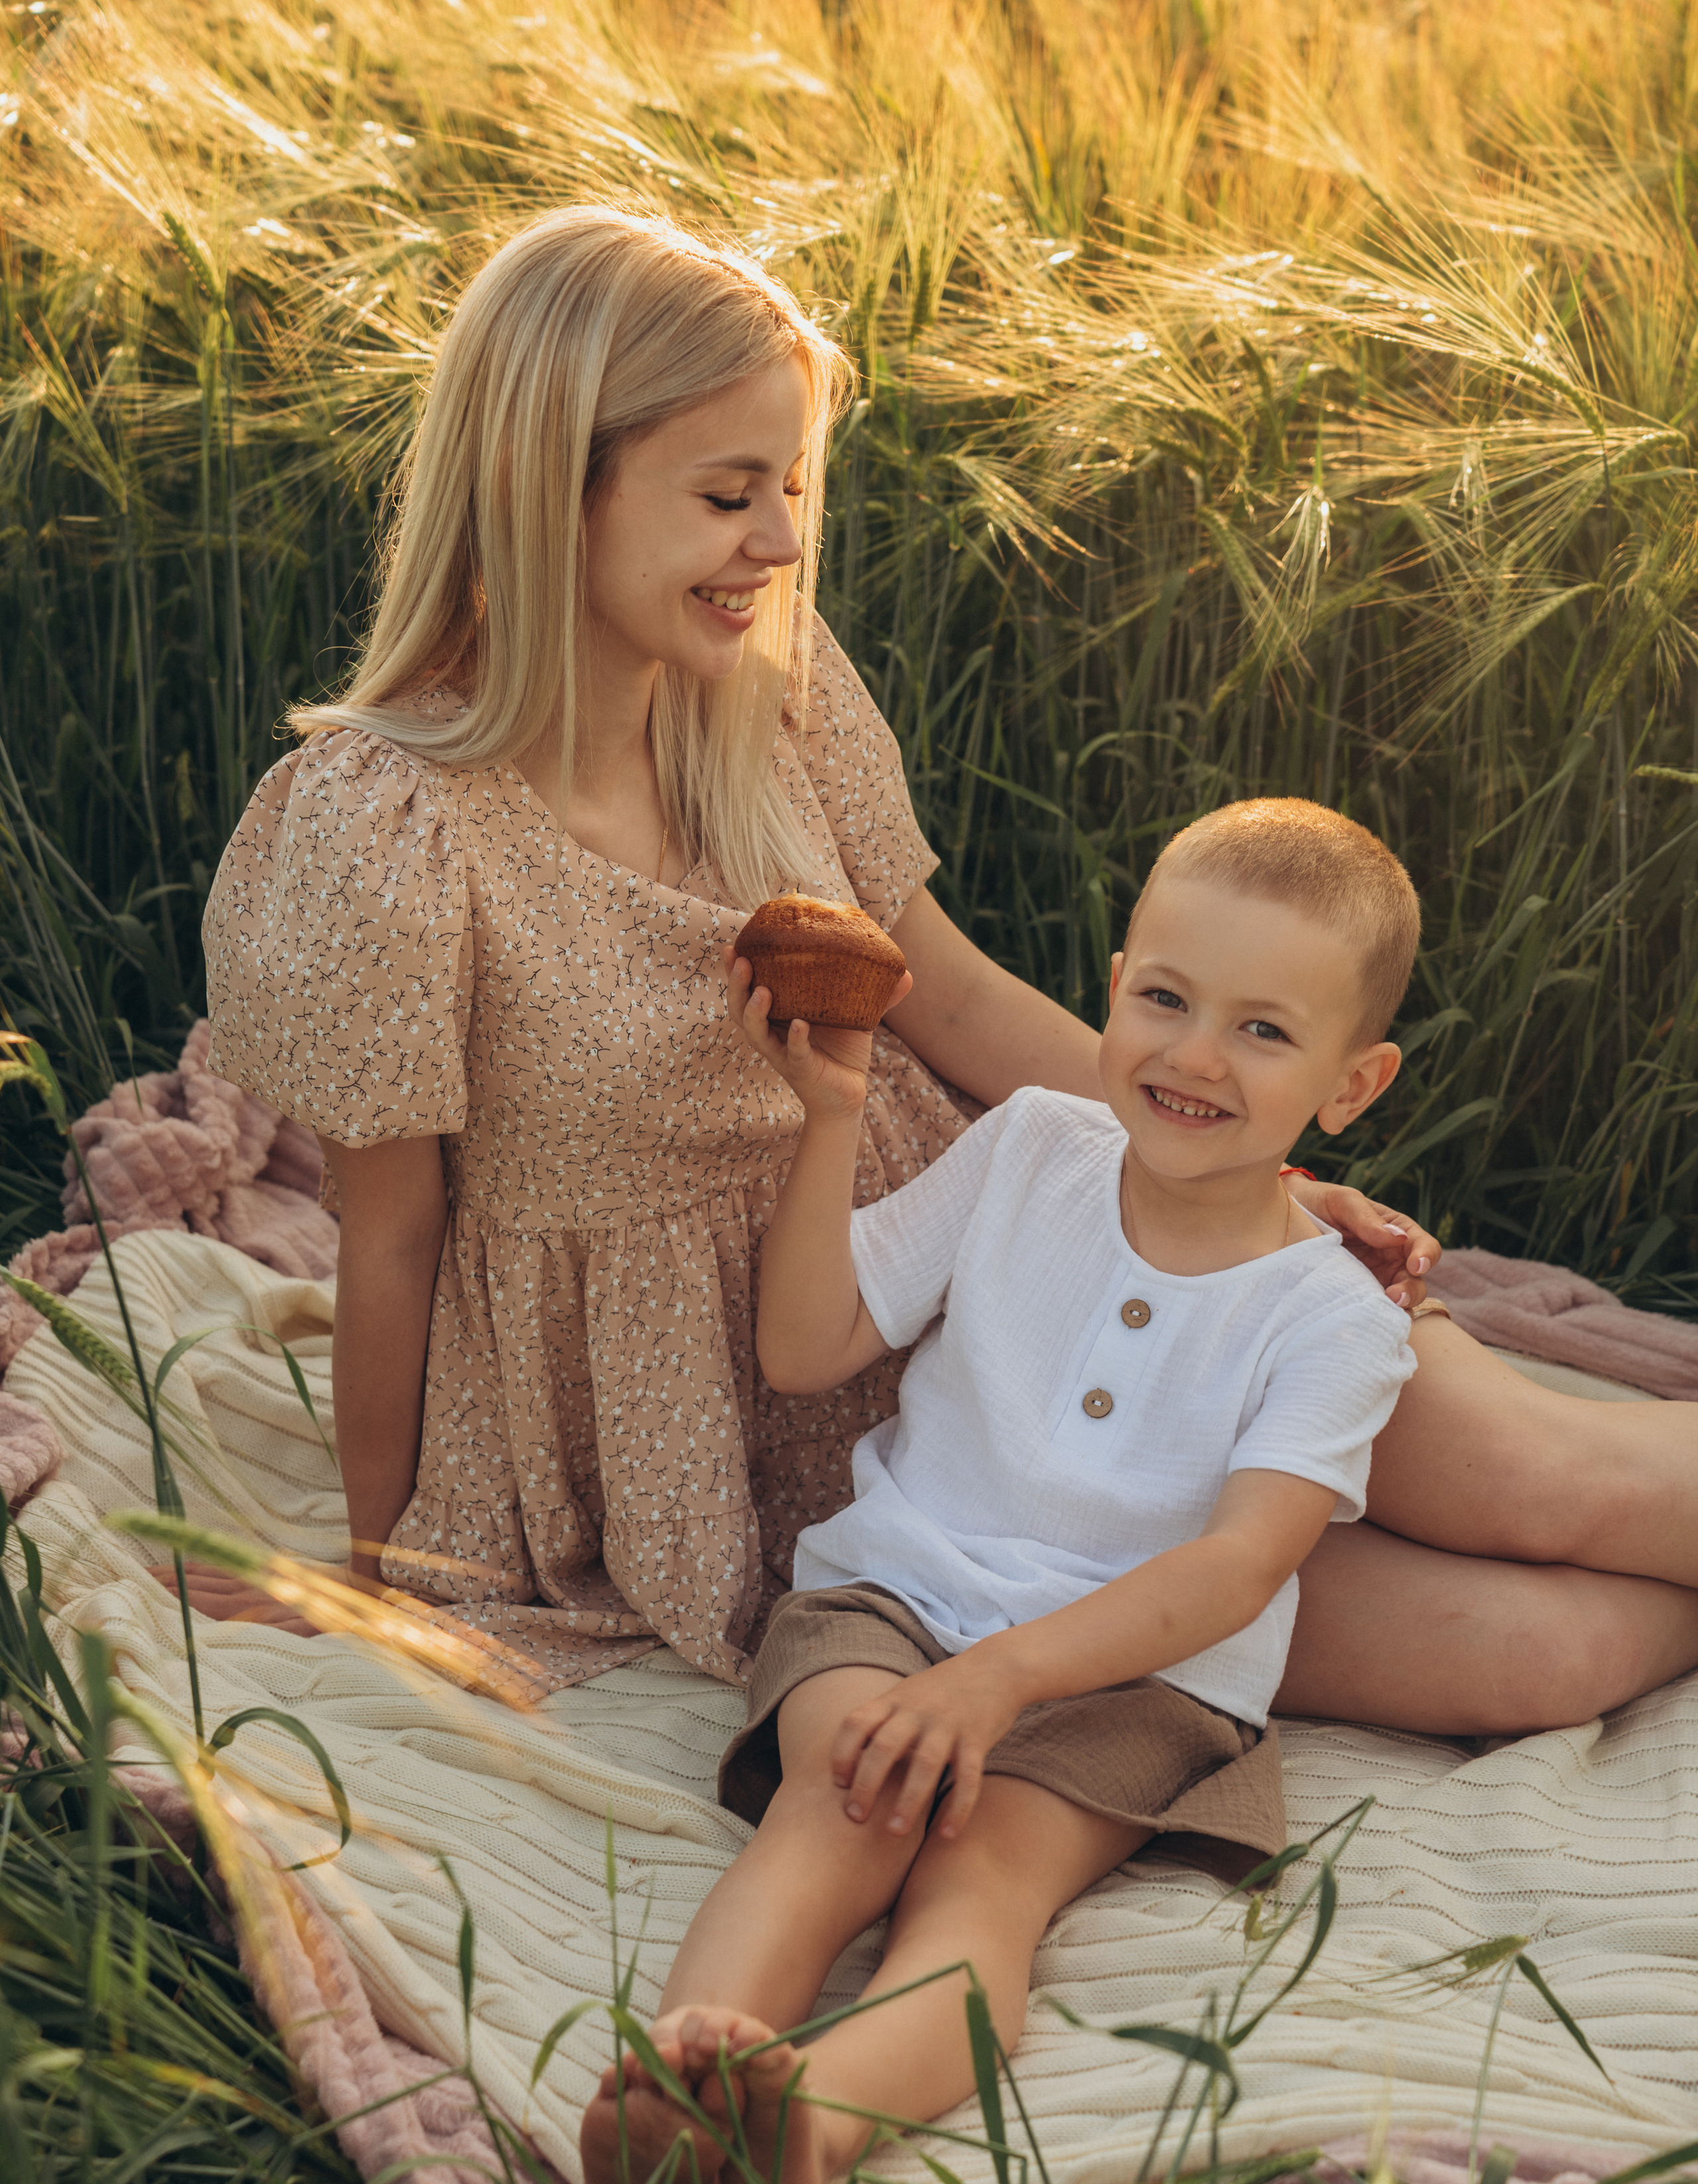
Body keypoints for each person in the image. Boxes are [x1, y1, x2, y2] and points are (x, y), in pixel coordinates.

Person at [177, 202, 1698, 1748]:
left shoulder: (767, 687)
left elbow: (950, 997)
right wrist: (373, 1566)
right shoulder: (386, 828)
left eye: (788, 488)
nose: (779, 543)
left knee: (1539, 1482)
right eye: (726, 495)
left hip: (1016, 1261)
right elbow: (393, 1238)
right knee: (1530, 1658)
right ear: (545, 484)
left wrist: (1255, 1184)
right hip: (796, 1447)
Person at [578, 797, 1425, 2184]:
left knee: (981, 1888)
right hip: (898, 1595)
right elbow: (806, 1345)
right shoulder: (1030, 1147)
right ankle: (680, 2093)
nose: (1195, 1056)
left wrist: (1006, 1679)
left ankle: (812, 2124)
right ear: (1114, 987)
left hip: (1131, 1682)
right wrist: (832, 1114)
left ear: (1351, 1085)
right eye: (1165, 999)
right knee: (842, 1803)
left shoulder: (1335, 1319)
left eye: (1261, 1031)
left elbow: (1237, 1568)